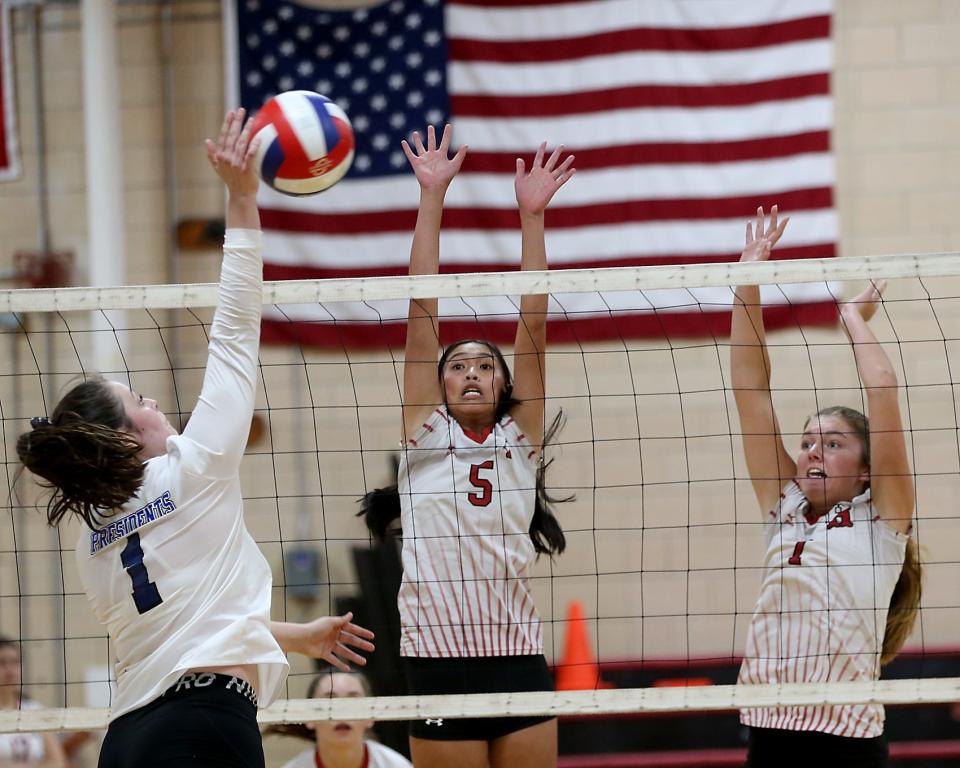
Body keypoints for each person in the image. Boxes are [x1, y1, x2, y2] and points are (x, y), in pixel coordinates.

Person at [15, 109, 374, 768]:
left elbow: (193, 624)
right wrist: (242, 199)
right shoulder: (194, 467)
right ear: (125, 441)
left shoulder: (91, 536)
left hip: (127, 740)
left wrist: (297, 637)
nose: (154, 402)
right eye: (139, 402)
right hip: (204, 727)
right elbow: (236, 330)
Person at [359, 125, 574, 768]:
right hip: (434, 652)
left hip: (515, 648)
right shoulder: (424, 433)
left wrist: (530, 217)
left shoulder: (518, 436)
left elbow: (531, 318)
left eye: (486, 365)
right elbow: (420, 306)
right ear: (439, 383)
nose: (473, 372)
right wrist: (433, 198)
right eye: (458, 366)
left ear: (505, 383)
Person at [731, 206, 921, 766]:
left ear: (865, 471)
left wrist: (852, 318)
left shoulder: (882, 522)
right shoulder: (785, 503)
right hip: (769, 727)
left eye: (832, 444)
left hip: (846, 741)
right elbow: (750, 390)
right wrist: (749, 280)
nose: (813, 450)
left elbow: (881, 387)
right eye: (809, 441)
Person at [277, 671, 411, 768]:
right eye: (330, 701)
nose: (341, 712)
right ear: (309, 718)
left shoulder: (396, 765)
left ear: (370, 717)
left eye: (352, 700)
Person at [0, 637, 67, 768]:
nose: (10, 670)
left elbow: (58, 762)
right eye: (1, 663)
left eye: (15, 662)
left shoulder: (34, 709)